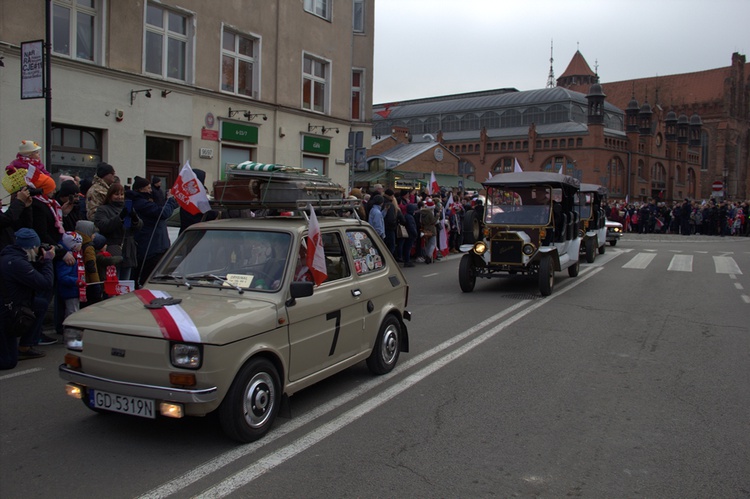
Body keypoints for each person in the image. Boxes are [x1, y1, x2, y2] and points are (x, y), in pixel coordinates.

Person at [0, 228, 55, 367]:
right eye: (37, 247)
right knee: (8, 362)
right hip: (7, 312)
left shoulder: (11, 256)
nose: (39, 250)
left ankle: (25, 345)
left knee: (41, 304)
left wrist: (40, 262)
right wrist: (48, 261)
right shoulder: (17, 263)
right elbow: (45, 283)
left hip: (12, 305)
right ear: (31, 247)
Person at [127, 175, 178, 286]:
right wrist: (170, 201)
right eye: (148, 188)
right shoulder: (140, 203)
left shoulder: (141, 202)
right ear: (140, 189)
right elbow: (163, 214)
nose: (151, 191)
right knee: (148, 281)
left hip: (155, 247)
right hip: (150, 249)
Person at [94, 182, 142, 281]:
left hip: (128, 248)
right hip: (113, 247)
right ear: (110, 195)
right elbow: (104, 226)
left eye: (121, 194)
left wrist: (135, 218)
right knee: (114, 281)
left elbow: (138, 227)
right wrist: (119, 217)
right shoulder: (103, 209)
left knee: (125, 282)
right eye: (116, 194)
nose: (119, 197)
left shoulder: (128, 208)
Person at [179, 168, 217, 234]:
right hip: (197, 234)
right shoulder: (198, 198)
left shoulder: (187, 195)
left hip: (185, 233)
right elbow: (211, 215)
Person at [56, 231, 84, 319]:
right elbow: (62, 277)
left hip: (74, 290)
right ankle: (71, 332)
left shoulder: (76, 256)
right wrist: (76, 281)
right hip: (70, 291)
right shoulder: (69, 259)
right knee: (72, 313)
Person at [75, 220, 103, 305]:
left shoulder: (74, 242)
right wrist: (97, 284)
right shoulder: (89, 247)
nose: (94, 236)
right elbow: (91, 266)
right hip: (89, 282)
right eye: (92, 233)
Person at [419, 198, 438, 264]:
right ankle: (429, 256)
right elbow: (433, 221)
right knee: (433, 244)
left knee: (426, 244)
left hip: (425, 228)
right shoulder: (430, 213)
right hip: (431, 229)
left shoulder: (422, 213)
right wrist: (437, 216)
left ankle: (427, 255)